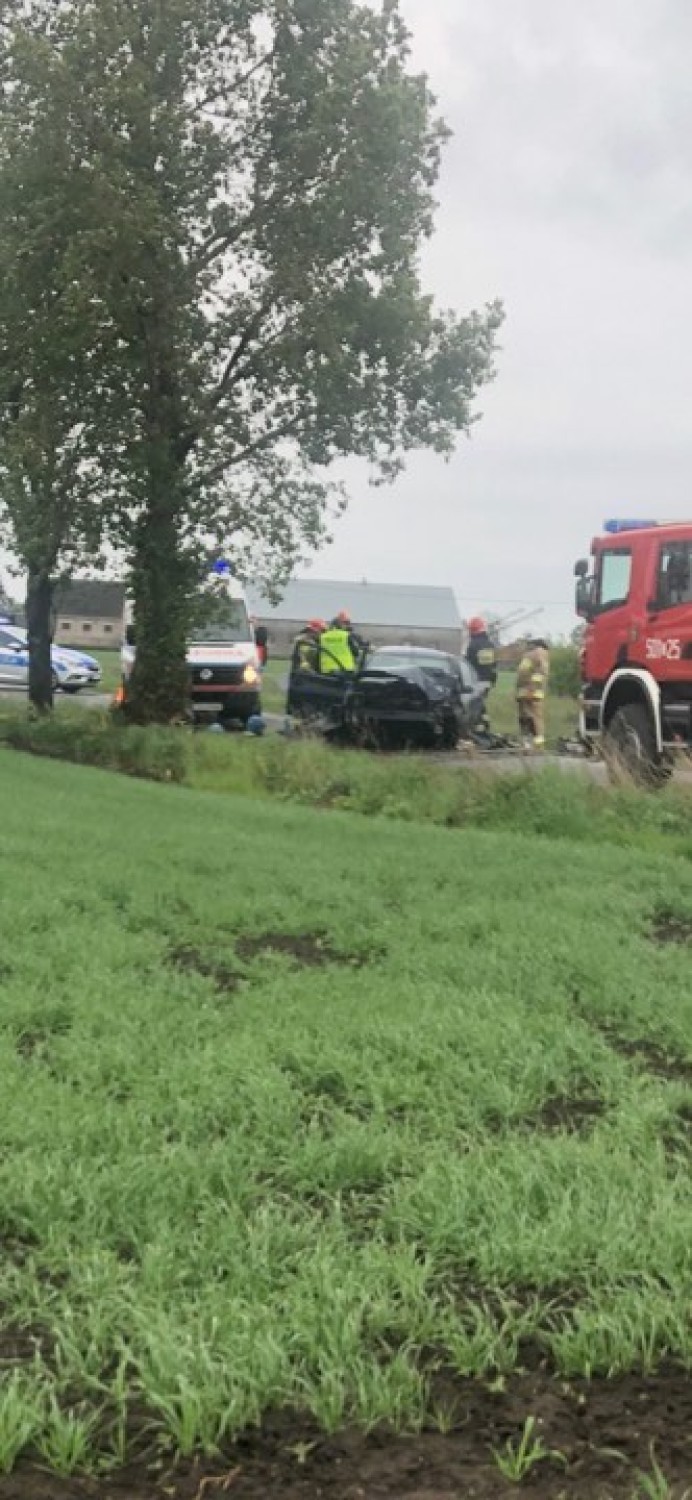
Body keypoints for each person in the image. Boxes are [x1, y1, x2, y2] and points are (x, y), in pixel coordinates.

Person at [516, 638, 550, 750]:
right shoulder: (543, 656)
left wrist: (522, 688)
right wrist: (535, 687)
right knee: (537, 718)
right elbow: (542, 675)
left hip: (524, 691)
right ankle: (538, 745)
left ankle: (526, 744)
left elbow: (522, 673)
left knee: (525, 717)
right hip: (536, 692)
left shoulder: (528, 656)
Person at [466, 617, 497, 686]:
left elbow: (468, 664)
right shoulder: (490, 645)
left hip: (475, 680)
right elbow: (494, 664)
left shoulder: (472, 645)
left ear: (471, 630)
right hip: (488, 680)